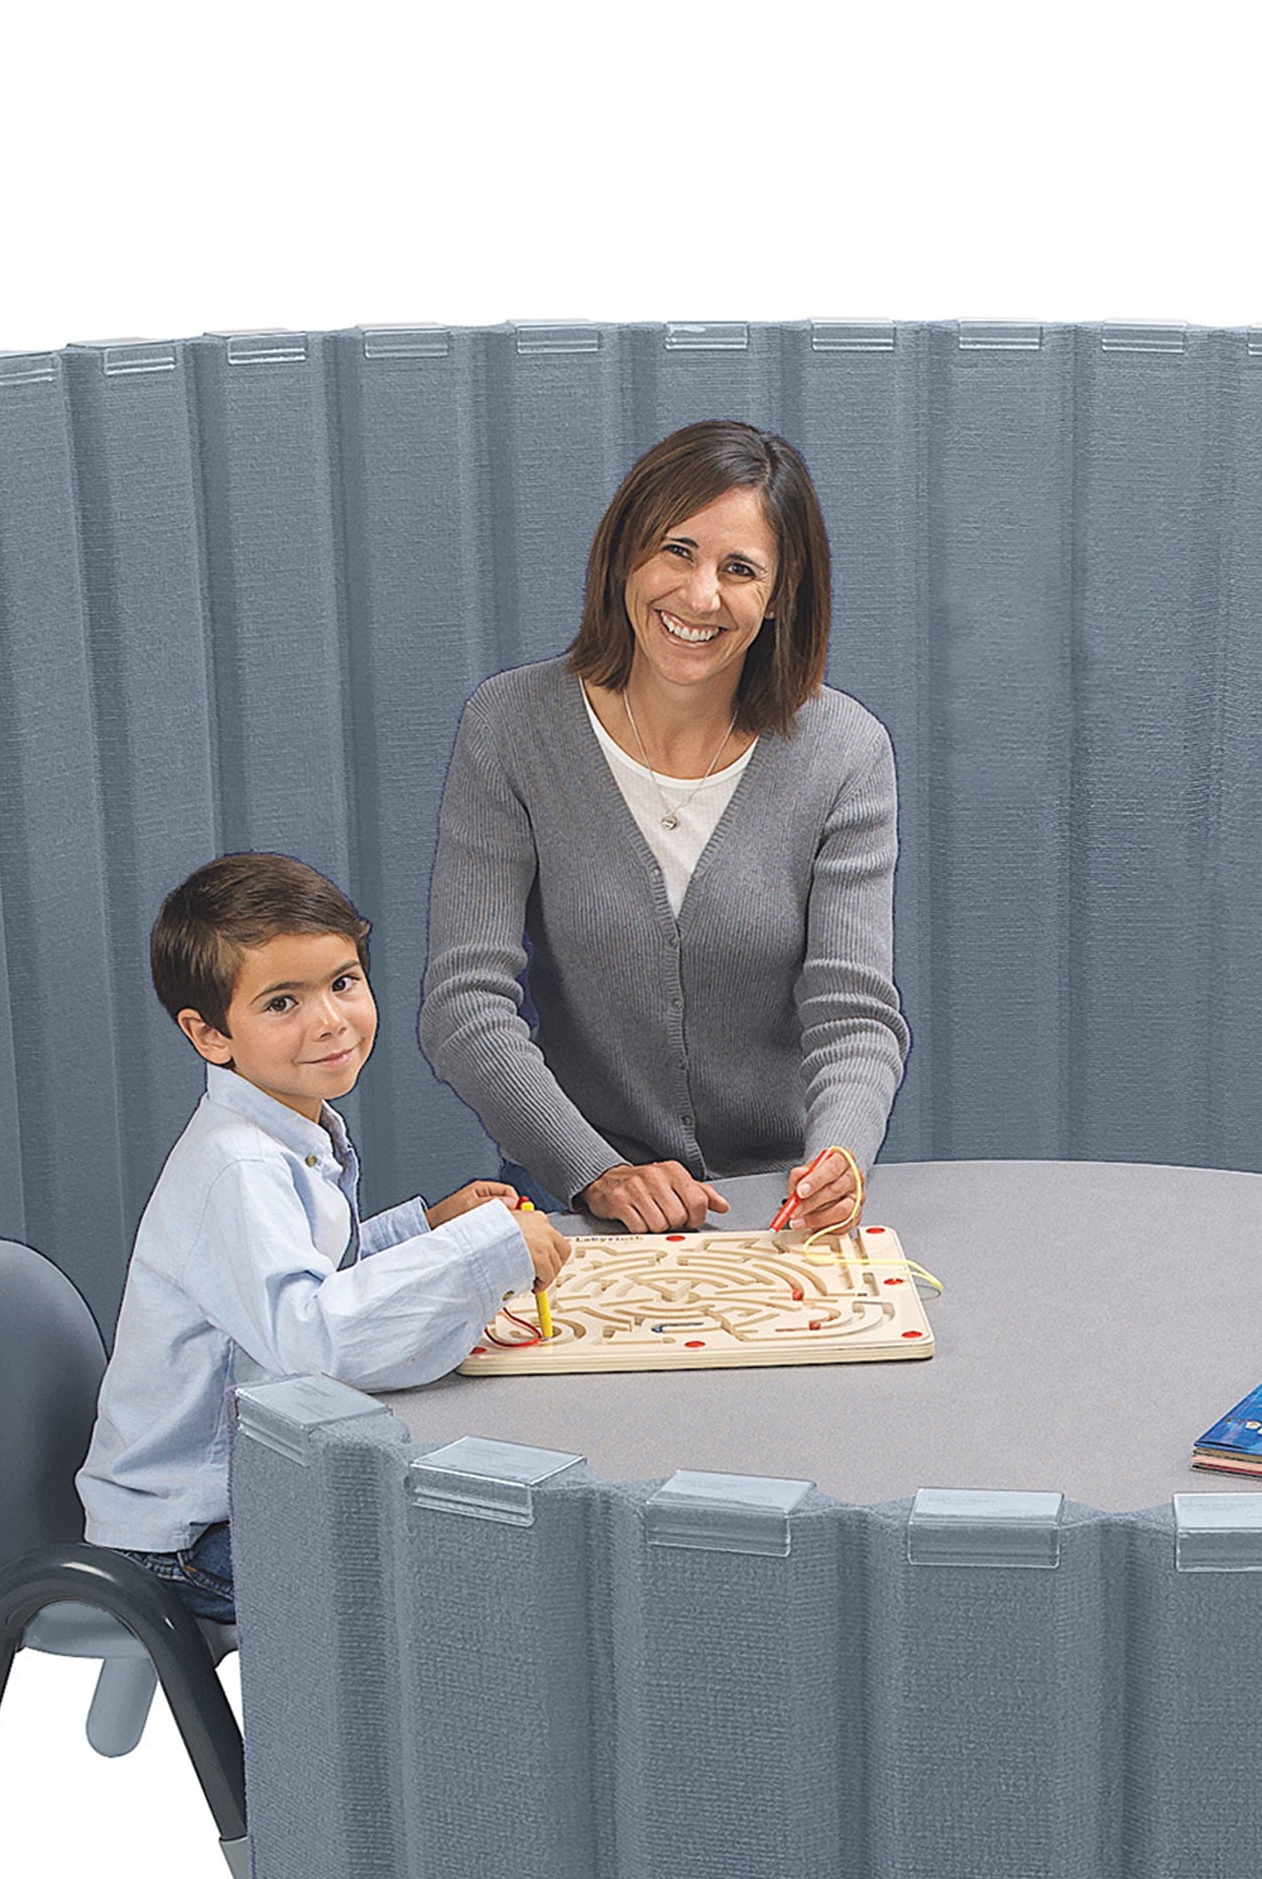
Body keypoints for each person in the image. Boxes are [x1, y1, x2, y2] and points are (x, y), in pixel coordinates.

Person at [420, 419, 907, 1245]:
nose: (700, 596)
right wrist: (598, 1172)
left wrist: (839, 1159)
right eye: (676, 551)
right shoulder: (510, 727)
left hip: (773, 1210)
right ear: (624, 554)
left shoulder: (845, 752)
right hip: (574, 1200)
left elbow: (852, 1014)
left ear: (780, 596)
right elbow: (465, 1006)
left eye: (740, 570)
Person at [80, 854, 570, 1621]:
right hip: (189, 1536)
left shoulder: (282, 1131)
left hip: (228, 1500)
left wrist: (424, 1231)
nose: (330, 1020)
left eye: (343, 982)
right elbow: (312, 1340)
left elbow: (311, 1281)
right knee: (456, 1584)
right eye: (282, 1002)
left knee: (464, 1553)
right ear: (210, 1034)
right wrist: (489, 1253)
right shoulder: (237, 1164)